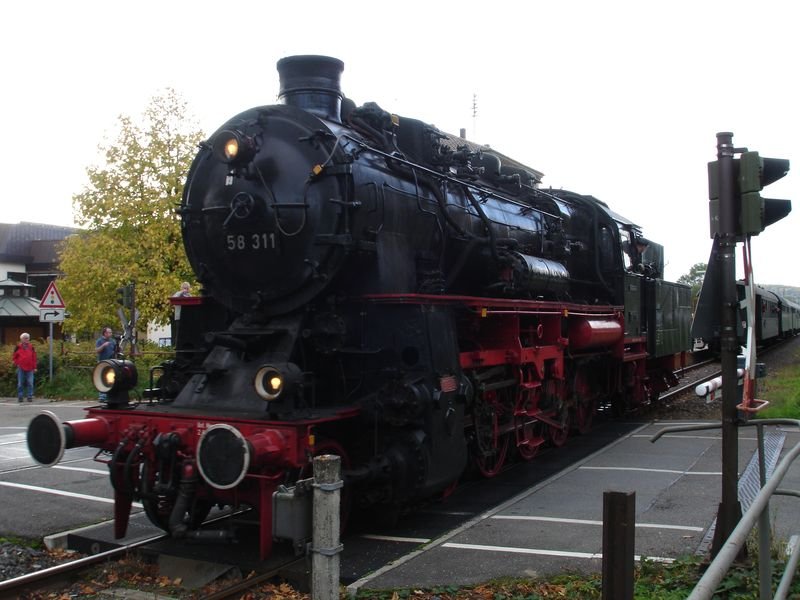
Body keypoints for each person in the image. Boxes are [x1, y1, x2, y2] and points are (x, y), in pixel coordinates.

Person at [12, 333, 37, 402]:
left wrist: (35, 367)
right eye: (25, 338)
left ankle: (29, 396)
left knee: (30, 382)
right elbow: (14, 357)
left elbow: (34, 358)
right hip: (21, 368)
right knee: (20, 383)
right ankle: (20, 396)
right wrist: (17, 363)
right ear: (21, 339)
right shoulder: (18, 347)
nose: (26, 339)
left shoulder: (32, 347)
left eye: (27, 338)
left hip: (30, 368)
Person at [96, 327, 117, 400]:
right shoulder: (100, 341)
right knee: (103, 379)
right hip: (102, 362)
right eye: (109, 332)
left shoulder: (113, 341)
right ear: (105, 333)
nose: (111, 334)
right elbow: (97, 350)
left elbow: (115, 350)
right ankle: (102, 396)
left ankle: (110, 395)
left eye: (111, 332)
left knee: (110, 378)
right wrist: (103, 345)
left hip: (111, 362)